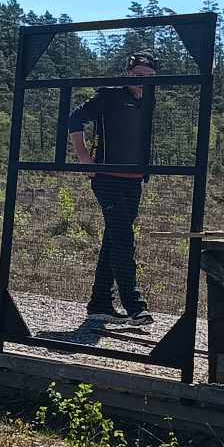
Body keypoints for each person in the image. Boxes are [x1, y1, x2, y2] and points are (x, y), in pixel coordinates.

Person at [67, 51, 158, 325]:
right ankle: (134, 305)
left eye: (149, 77)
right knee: (123, 237)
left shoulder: (148, 100)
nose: (143, 81)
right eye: (138, 75)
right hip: (106, 177)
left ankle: (100, 303)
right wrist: (84, 157)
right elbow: (74, 119)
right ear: (128, 74)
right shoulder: (109, 94)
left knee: (114, 238)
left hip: (133, 180)